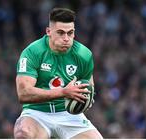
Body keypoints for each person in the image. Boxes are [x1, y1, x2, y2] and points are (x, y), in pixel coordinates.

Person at [14, 7, 103, 139]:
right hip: (37, 113)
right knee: (23, 133)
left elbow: (89, 86)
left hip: (69, 115)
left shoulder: (84, 55)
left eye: (70, 33)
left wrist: (86, 98)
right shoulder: (32, 52)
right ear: (49, 31)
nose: (66, 38)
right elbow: (23, 94)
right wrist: (63, 92)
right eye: (61, 33)